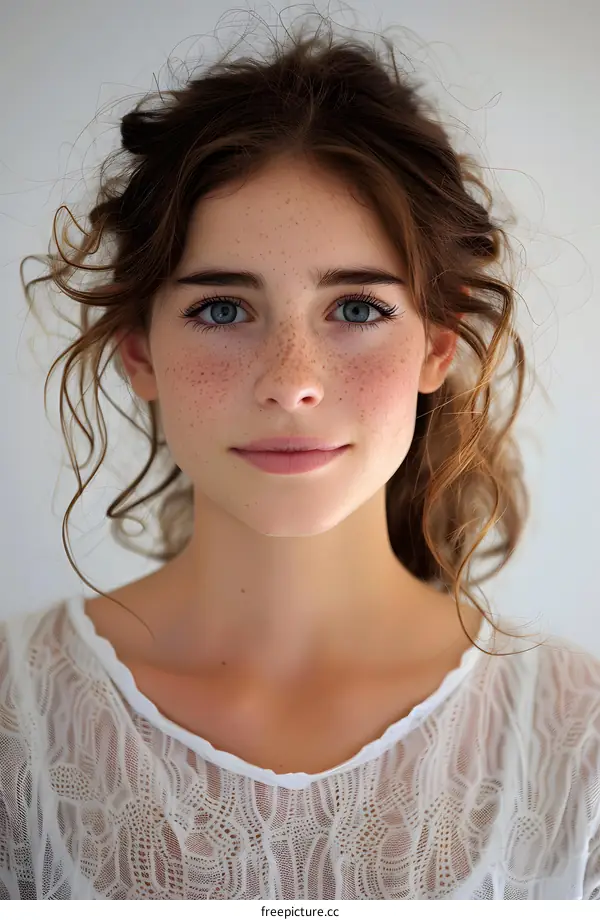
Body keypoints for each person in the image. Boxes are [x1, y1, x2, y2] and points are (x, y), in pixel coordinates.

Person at [1, 13, 599, 901]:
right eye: (222, 309)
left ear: (439, 345)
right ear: (138, 350)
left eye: (356, 309)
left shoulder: (580, 742)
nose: (291, 384)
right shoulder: (15, 726)